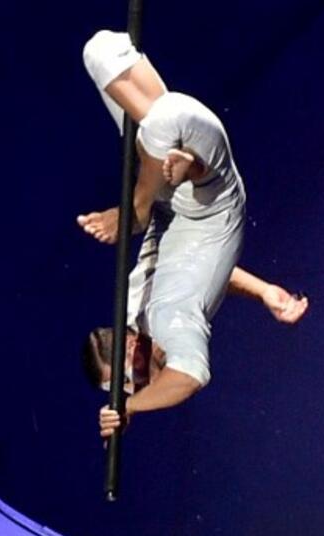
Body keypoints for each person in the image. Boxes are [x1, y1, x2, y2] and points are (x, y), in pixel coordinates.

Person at [77, 30, 308, 439]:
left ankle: (140, 204)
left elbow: (188, 374)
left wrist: (127, 408)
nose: (139, 385)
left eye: (129, 380)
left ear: (131, 350)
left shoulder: (158, 318)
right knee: (167, 122)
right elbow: (188, 373)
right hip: (210, 193)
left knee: (100, 52)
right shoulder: (173, 327)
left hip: (167, 194)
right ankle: (180, 169)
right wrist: (265, 291)